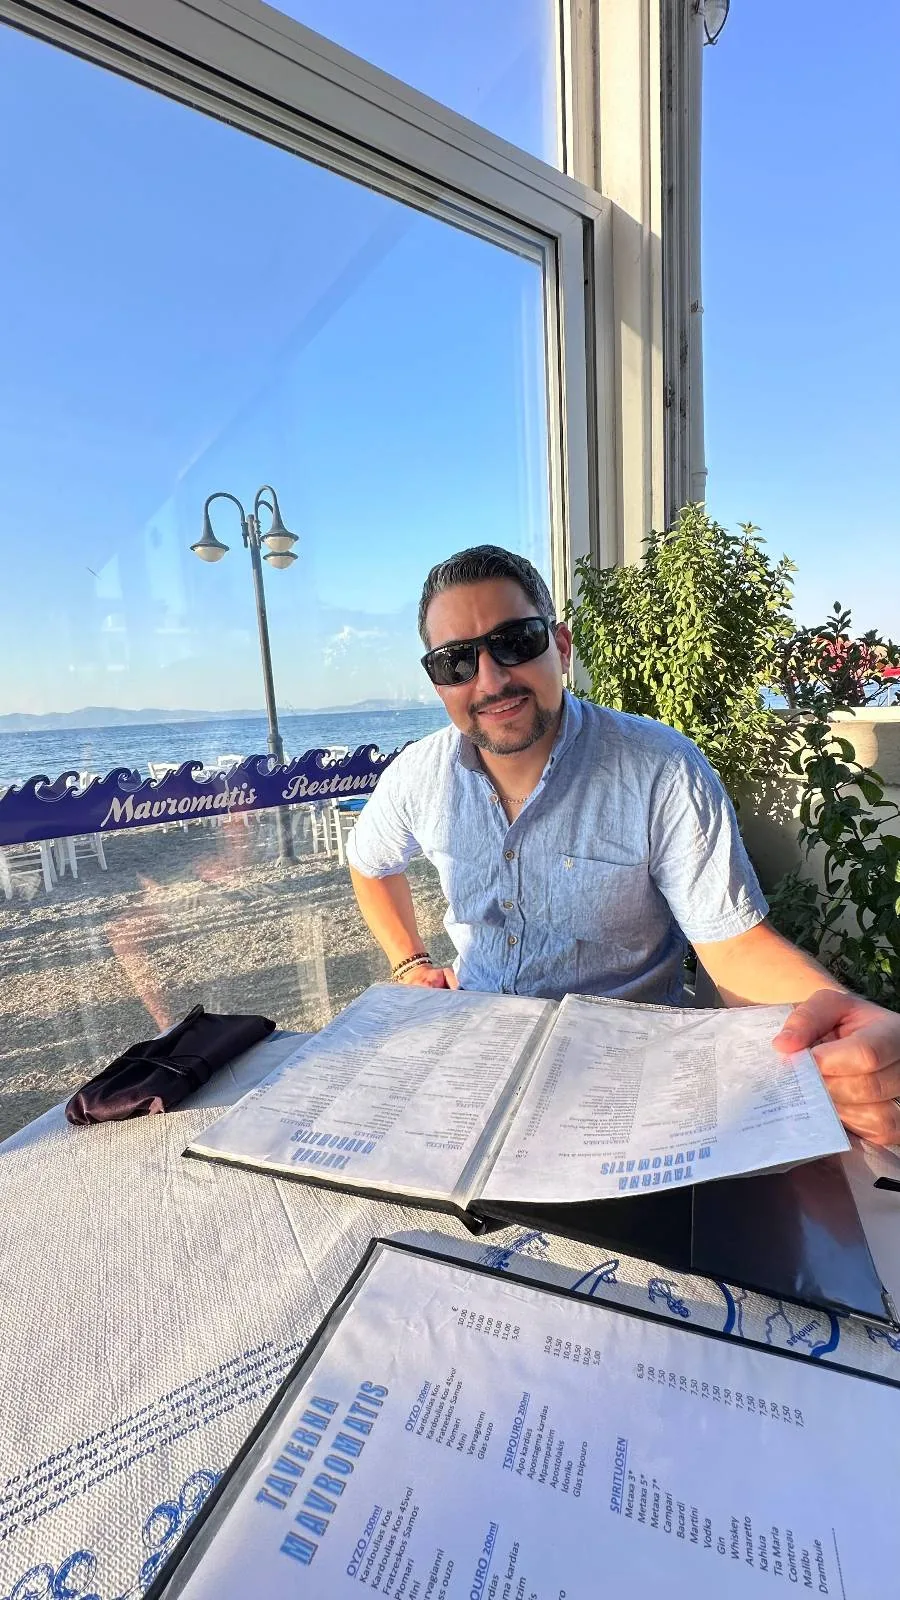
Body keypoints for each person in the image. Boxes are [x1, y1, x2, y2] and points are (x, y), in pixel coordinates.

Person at [348, 544, 900, 1146]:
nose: (490, 678)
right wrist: (409, 962)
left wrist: (841, 1023)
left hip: (629, 1092)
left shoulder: (658, 768)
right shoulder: (418, 775)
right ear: (438, 683)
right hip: (477, 1071)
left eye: (516, 640)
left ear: (560, 645)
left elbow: (735, 948)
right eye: (456, 662)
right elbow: (369, 862)